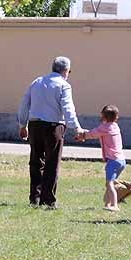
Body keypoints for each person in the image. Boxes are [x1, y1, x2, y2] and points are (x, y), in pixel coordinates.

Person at [16, 56, 84, 209]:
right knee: (51, 163)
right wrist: (76, 127)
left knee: (36, 161)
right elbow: (68, 108)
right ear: (66, 71)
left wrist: (22, 124)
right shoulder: (64, 85)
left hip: (34, 125)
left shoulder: (37, 82)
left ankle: (35, 197)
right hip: (54, 127)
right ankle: (48, 200)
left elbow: (24, 103)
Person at [81, 105, 126, 211]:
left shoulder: (104, 127)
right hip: (121, 160)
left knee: (109, 183)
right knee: (111, 182)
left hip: (113, 161)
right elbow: (96, 132)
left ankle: (115, 205)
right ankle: (107, 204)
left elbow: (92, 134)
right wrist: (85, 134)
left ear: (103, 116)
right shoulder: (115, 126)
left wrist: (82, 135)